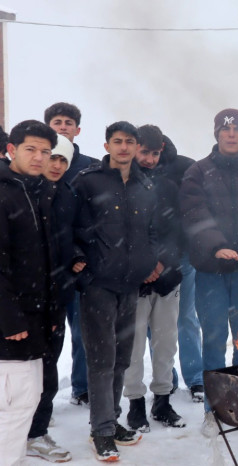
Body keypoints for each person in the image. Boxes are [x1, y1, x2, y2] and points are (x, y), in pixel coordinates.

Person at [180, 108, 238, 436]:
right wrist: (216, 244)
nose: (231, 135)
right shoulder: (197, 172)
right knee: (214, 336)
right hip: (210, 270)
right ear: (217, 134)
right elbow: (194, 213)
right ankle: (213, 406)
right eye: (225, 130)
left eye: (237, 130)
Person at [71, 121, 159, 461]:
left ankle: (112, 420)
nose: (124, 147)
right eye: (117, 141)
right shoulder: (89, 181)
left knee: (122, 358)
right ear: (107, 145)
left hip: (131, 284)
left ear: (137, 147)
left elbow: (152, 229)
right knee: (101, 359)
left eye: (129, 142)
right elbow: (72, 226)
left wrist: (149, 260)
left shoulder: (145, 184)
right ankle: (101, 431)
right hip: (98, 284)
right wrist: (81, 261)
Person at [0, 120, 59, 466]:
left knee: (28, 399)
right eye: (31, 150)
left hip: (35, 317)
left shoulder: (36, 191)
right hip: (12, 322)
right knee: (14, 404)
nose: (40, 158)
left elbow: (44, 260)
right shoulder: (5, 193)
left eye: (46, 152)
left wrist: (50, 314)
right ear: (11, 150)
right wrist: (8, 318)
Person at [123, 125, 185, 433]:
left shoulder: (170, 186)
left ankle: (162, 400)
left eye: (154, 153)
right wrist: (141, 267)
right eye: (144, 152)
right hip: (132, 280)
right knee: (133, 347)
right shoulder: (120, 182)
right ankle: (135, 404)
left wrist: (162, 264)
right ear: (134, 148)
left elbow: (177, 231)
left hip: (168, 276)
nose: (149, 159)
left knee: (165, 343)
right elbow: (121, 233)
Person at [44, 102, 99, 407]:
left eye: (68, 123)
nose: (62, 126)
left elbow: (92, 217)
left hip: (80, 267)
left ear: (78, 130)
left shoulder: (90, 167)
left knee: (82, 332)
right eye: (56, 122)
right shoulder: (35, 167)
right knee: (47, 337)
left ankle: (82, 386)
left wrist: (82, 252)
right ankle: (42, 397)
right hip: (44, 267)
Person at [25, 134, 76, 463]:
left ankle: (36, 431)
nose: (55, 165)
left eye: (62, 160)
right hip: (22, 299)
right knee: (19, 372)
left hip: (55, 296)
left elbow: (75, 237)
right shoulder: (20, 194)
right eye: (51, 157)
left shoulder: (67, 195)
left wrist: (77, 257)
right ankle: (23, 430)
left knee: (47, 368)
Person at [159, 135, 204, 403]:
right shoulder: (137, 169)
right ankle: (166, 378)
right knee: (157, 324)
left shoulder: (187, 167)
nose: (151, 156)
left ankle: (195, 378)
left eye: (156, 150)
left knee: (186, 317)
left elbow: (198, 208)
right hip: (151, 260)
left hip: (184, 254)